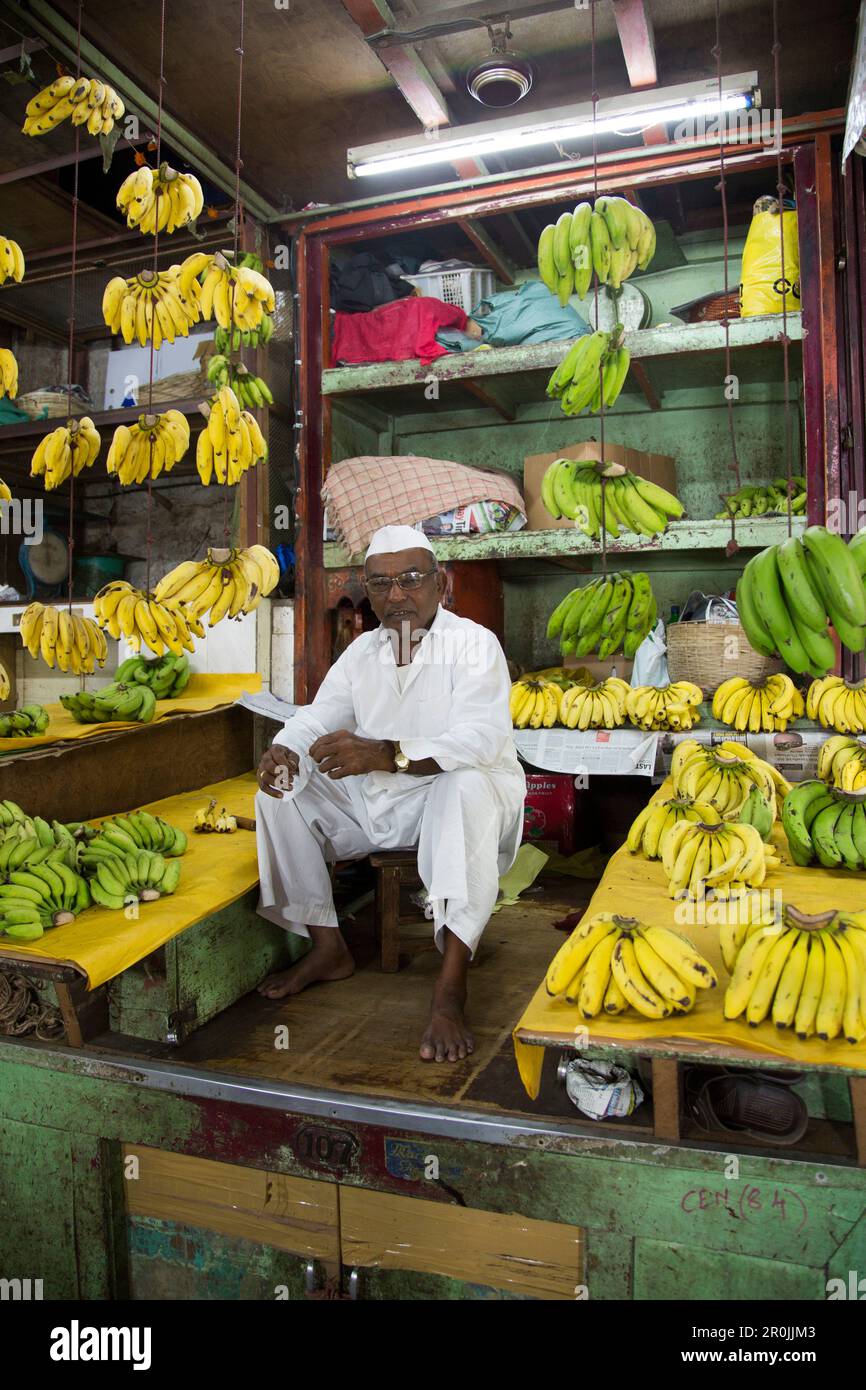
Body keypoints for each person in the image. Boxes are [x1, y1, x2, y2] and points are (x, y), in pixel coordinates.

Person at [255, 524, 526, 1063]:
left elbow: (480, 738)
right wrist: (283, 748)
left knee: (465, 785)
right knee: (279, 791)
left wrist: (388, 753)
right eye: (381, 584)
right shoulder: (362, 654)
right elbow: (318, 717)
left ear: (440, 583)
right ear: (368, 591)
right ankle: (328, 947)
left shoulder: (474, 644)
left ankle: (451, 986)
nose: (397, 595)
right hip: (380, 800)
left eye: (410, 579)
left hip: (455, 801)